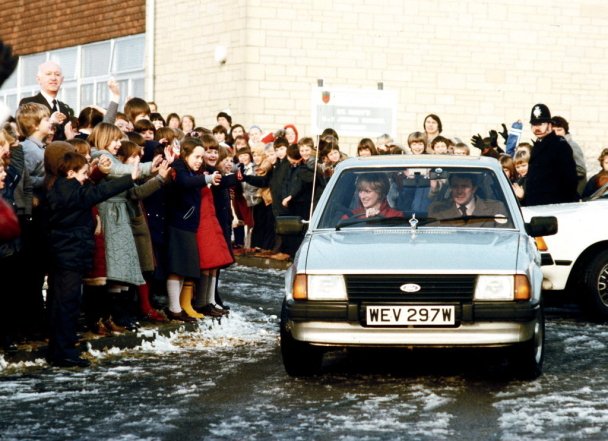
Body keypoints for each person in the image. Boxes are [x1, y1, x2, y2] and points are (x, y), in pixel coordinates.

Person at [46, 150, 137, 367]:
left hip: (67, 255)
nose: (86, 176)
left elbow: (88, 189)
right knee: (67, 304)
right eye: (83, 172)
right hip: (69, 255)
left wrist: (93, 167)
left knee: (64, 303)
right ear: (70, 173)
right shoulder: (68, 191)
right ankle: (63, 353)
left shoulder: (65, 186)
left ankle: (61, 350)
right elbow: (96, 193)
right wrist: (128, 179)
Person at [523, 104, 579, 206]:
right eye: (534, 124)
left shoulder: (559, 145)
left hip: (553, 207)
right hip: (536, 205)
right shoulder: (538, 144)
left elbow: (570, 181)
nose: (537, 128)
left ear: (550, 125)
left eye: (541, 124)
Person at [19, 61, 74, 141]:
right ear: (38, 79)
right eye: (48, 74)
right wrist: (51, 122)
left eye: (57, 74)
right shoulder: (29, 103)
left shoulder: (63, 108)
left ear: (62, 80)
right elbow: (26, 133)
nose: (53, 78)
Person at [428, 173, 509, 227]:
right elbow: (430, 240)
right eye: (455, 186)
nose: (459, 191)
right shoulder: (437, 209)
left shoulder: (496, 208)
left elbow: (506, 240)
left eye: (464, 186)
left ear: (474, 189)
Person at [552, 115, 587, 195]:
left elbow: (581, 170)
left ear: (565, 131)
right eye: (553, 130)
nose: (556, 133)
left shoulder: (571, 146)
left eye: (559, 130)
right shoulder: (555, 145)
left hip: (573, 192)